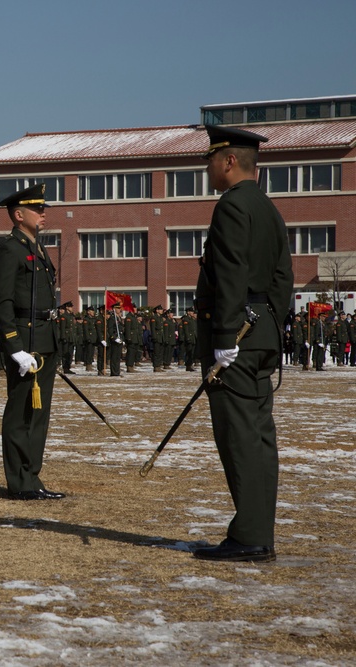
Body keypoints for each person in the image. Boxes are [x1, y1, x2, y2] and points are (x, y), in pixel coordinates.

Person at [192, 125, 293, 563]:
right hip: (262, 333)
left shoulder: (232, 206)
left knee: (239, 437)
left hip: (238, 338)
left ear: (229, 160)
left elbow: (230, 273)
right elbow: (283, 279)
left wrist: (224, 336)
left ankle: (250, 534)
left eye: (211, 158)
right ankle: (257, 531)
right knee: (258, 436)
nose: (207, 166)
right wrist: (269, 323)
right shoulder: (268, 207)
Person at [0, 184, 64, 501]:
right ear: (19, 215)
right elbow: (3, 303)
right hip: (25, 336)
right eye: (38, 209)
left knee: (39, 413)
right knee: (21, 412)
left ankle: (32, 476)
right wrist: (14, 347)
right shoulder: (10, 250)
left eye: (44, 208)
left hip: (45, 336)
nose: (43, 213)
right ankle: (18, 480)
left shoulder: (38, 248)